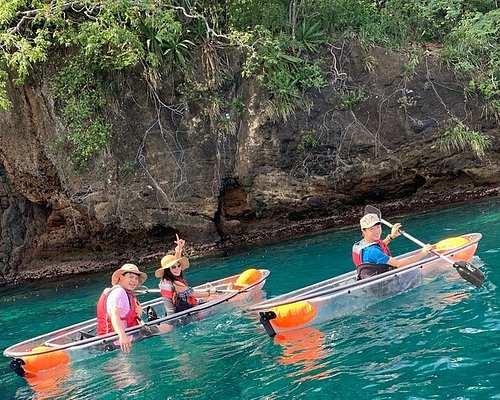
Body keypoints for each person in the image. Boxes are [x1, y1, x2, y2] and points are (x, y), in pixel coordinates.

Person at [96, 263, 171, 352]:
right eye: (130, 277)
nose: (134, 280)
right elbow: (114, 316)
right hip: (116, 340)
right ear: (121, 277)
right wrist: (122, 335)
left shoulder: (122, 291)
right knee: (168, 327)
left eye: (136, 278)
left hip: (121, 335)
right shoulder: (119, 292)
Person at [352, 213, 432, 280]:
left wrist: (391, 237)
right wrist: (422, 253)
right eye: (371, 229)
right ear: (364, 231)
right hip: (386, 284)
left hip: (371, 281)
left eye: (378, 227)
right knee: (429, 267)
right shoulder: (373, 252)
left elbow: (377, 249)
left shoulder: (360, 245)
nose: (377, 231)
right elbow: (399, 264)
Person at [155, 235, 216, 316]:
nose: (177, 269)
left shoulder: (167, 280)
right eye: (173, 267)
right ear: (167, 270)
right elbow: (193, 294)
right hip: (187, 315)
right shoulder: (176, 283)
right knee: (213, 299)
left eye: (179, 266)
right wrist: (209, 293)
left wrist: (179, 249)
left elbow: (175, 262)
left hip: (183, 310)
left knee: (209, 299)